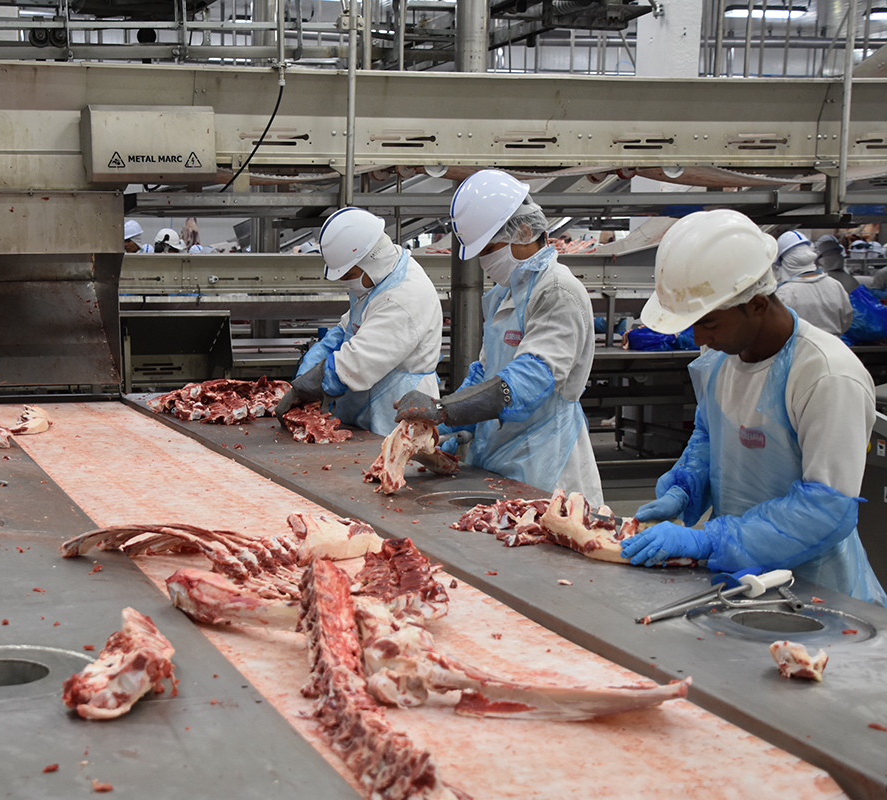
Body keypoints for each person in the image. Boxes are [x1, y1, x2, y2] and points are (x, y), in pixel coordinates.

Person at [620, 209, 886, 606]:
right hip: (734, 580)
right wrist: (684, 487)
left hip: (817, 593)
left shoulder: (827, 375)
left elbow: (824, 508)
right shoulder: (719, 362)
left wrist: (709, 538)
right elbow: (710, 437)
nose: (698, 336)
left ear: (758, 304)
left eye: (709, 322)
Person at [393, 170, 603, 505]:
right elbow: (484, 374)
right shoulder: (505, 295)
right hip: (498, 457)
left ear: (522, 231)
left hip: (545, 463)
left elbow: (528, 382)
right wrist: (437, 431)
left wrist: (444, 409)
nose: (484, 260)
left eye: (490, 248)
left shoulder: (558, 292)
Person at [274, 207, 442, 436]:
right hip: (365, 412)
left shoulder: (404, 296)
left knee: (392, 465)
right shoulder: (378, 279)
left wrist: (310, 384)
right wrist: (321, 351)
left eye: (349, 276)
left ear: (372, 259)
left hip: (395, 415)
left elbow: (358, 363)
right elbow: (350, 327)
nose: (347, 283)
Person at [773, 231, 852, 336]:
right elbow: (846, 320)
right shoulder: (835, 285)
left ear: (785, 262)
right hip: (834, 348)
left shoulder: (785, 293)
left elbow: (777, 331)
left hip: (801, 351)